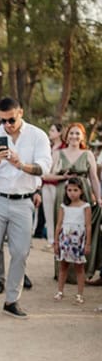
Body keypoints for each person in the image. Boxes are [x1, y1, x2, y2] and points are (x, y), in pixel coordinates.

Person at [0, 98, 51, 322]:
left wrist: (21, 165)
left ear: (21, 112)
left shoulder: (38, 136)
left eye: (11, 119)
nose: (7, 124)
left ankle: (11, 301)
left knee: (20, 252)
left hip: (24, 202)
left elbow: (44, 168)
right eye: (2, 120)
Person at [50, 122, 101, 282]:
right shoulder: (58, 153)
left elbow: (93, 178)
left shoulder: (88, 154)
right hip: (63, 194)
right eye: (71, 133)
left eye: (77, 134)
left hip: (83, 194)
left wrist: (98, 198)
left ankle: (82, 271)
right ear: (67, 135)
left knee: (83, 231)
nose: (74, 136)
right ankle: (63, 272)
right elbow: (46, 175)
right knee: (64, 229)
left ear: (83, 136)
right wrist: (62, 177)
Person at [53, 177, 91, 304]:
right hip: (65, 240)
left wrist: (88, 243)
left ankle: (79, 294)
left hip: (78, 241)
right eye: (69, 190)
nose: (72, 193)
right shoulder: (64, 206)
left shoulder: (85, 206)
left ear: (81, 191)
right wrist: (56, 242)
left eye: (75, 190)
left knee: (79, 268)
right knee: (63, 266)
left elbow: (88, 226)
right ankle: (60, 291)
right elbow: (59, 225)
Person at [41, 122, 66, 248]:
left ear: (59, 133)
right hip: (46, 184)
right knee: (48, 212)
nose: (50, 132)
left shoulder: (64, 148)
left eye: (52, 130)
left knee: (58, 213)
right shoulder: (48, 147)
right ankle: (51, 240)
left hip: (57, 184)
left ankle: (59, 239)